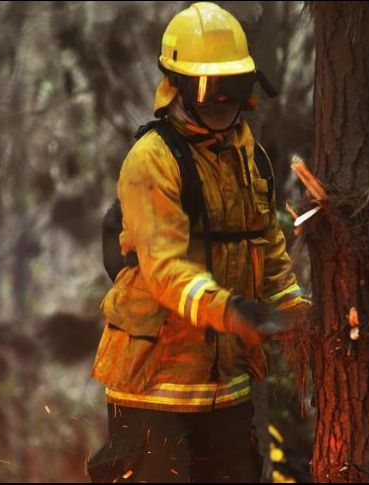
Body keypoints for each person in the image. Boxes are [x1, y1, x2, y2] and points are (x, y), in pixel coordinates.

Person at [89, 2, 309, 482]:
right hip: (152, 388)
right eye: (211, 87)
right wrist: (232, 310)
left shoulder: (250, 156)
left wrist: (295, 312)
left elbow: (266, 245)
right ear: (179, 85)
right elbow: (165, 270)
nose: (223, 100)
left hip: (225, 385)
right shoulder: (151, 160)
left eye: (234, 86)